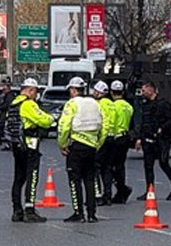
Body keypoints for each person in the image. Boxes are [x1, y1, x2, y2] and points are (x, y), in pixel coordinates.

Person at [5, 77, 53, 223]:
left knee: (18, 178)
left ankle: (17, 210)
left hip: (16, 145)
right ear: (30, 90)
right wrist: (50, 118)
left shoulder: (13, 103)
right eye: (35, 91)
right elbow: (44, 120)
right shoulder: (28, 104)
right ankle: (29, 210)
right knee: (32, 177)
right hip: (29, 145)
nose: (36, 95)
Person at [58, 76, 105, 223]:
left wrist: (62, 144)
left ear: (73, 90)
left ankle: (78, 213)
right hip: (91, 147)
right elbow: (105, 125)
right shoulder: (94, 103)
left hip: (76, 146)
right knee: (89, 180)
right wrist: (98, 144)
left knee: (75, 180)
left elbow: (64, 125)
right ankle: (92, 214)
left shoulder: (72, 104)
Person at [135, 81, 171, 201]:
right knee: (148, 166)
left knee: (163, 163)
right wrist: (140, 138)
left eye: (144, 91)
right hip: (148, 138)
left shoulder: (163, 104)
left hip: (162, 140)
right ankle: (149, 191)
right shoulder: (145, 105)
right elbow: (144, 123)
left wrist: (162, 128)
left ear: (151, 90)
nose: (142, 93)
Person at [104, 80, 135, 204]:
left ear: (111, 92)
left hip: (114, 138)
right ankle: (121, 193)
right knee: (120, 166)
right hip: (125, 137)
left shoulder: (113, 106)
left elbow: (111, 122)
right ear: (122, 92)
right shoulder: (129, 107)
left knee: (109, 166)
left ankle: (110, 193)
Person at [92, 81, 114, 206]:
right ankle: (108, 195)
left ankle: (98, 195)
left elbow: (99, 122)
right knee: (107, 168)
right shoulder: (112, 104)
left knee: (95, 168)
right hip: (112, 139)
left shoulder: (98, 104)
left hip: (102, 138)